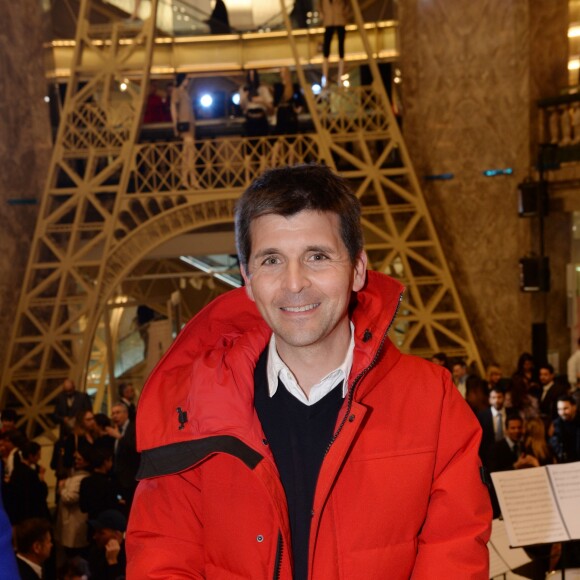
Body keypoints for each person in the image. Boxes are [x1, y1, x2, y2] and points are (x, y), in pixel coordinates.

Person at [126, 164, 491, 578]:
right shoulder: (191, 408)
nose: (294, 283)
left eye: (317, 257)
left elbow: (454, 550)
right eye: (272, 260)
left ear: (357, 269)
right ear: (247, 278)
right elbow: (163, 554)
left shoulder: (433, 399)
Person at [107, 403, 140, 511]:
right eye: (112, 413)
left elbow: (136, 449)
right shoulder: (115, 430)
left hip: (132, 479)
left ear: (126, 414)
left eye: (117, 413)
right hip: (118, 480)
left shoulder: (134, 427)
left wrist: (119, 437)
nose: (114, 416)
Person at [171, 73, 198, 189]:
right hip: (185, 124)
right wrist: (175, 124)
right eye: (186, 79)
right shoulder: (177, 91)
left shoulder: (184, 92)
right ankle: (188, 180)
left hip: (189, 124)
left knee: (189, 153)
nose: (187, 81)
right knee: (188, 153)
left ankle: (188, 180)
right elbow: (173, 108)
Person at [87, 510, 127, 580]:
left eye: (101, 533)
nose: (94, 536)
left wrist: (112, 561)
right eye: (96, 531)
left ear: (117, 535)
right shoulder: (96, 551)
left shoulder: (128, 556)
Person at [319, 0, 350, 87]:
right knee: (326, 48)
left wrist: (344, 14)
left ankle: (340, 76)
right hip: (329, 21)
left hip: (340, 20)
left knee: (341, 48)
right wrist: (323, 16)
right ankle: (324, 77)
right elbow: (320, 6)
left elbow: (347, 5)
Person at [550, 395, 580, 463]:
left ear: (574, 407)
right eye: (559, 409)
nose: (562, 412)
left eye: (565, 408)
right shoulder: (556, 424)